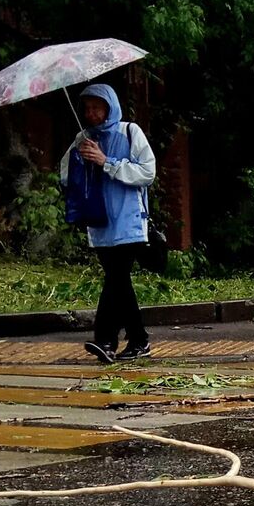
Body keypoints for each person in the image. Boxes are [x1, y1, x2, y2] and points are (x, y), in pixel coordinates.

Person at [59, 83, 157, 362]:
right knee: (118, 281)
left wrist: (106, 162)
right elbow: (65, 176)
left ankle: (106, 339)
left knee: (116, 278)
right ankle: (137, 341)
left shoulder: (130, 132)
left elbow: (147, 172)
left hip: (128, 221)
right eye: (87, 109)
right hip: (99, 221)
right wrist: (82, 161)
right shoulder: (83, 138)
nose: (91, 114)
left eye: (97, 108)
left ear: (109, 107)